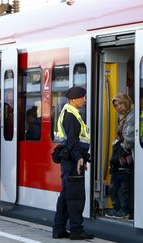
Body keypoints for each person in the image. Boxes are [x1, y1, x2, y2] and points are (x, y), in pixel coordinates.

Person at [52, 86, 93, 240]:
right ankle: (76, 230)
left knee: (66, 195)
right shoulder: (71, 116)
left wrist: (82, 156)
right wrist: (79, 158)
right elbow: (72, 141)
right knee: (75, 196)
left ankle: (59, 229)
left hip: (70, 160)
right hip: (72, 161)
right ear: (74, 99)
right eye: (82, 97)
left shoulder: (69, 113)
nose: (84, 100)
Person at [105, 94, 135, 219]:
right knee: (115, 185)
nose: (118, 107)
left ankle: (124, 210)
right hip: (121, 153)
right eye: (116, 106)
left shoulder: (131, 115)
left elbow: (129, 138)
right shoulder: (122, 117)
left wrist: (120, 149)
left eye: (120, 104)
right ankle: (119, 209)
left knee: (123, 185)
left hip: (125, 155)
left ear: (127, 102)